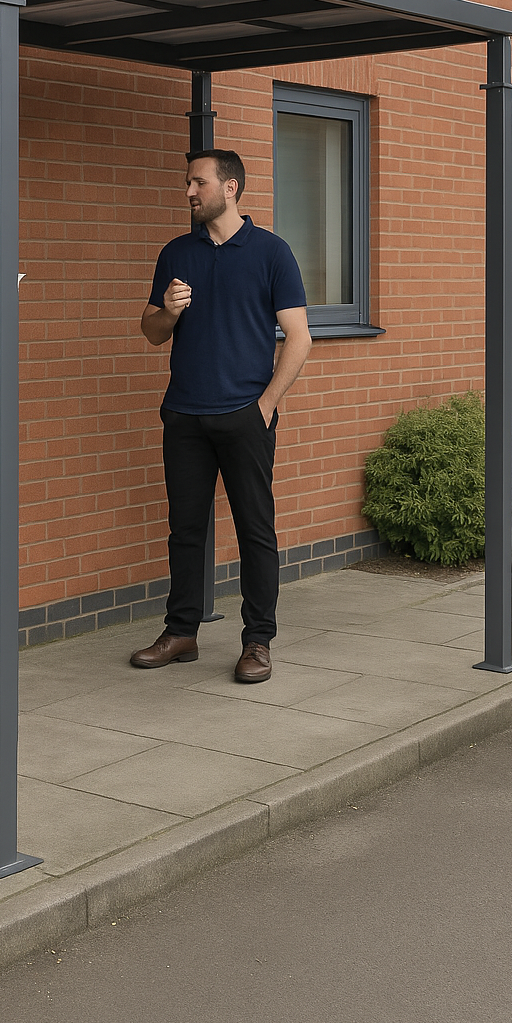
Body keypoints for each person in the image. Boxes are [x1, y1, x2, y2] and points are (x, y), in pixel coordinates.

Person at [131, 148, 312, 684]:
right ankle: (181, 630)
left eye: (198, 182)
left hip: (245, 415)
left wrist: (267, 404)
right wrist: (168, 308)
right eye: (187, 182)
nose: (189, 191)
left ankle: (257, 641)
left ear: (230, 188)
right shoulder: (175, 253)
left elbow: (299, 339)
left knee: (255, 531)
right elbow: (150, 331)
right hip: (184, 414)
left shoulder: (272, 253)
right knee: (184, 530)